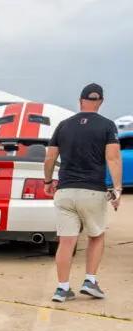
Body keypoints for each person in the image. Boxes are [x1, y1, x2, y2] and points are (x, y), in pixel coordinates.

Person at [44, 83, 122, 302]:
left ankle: (62, 288)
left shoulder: (63, 125)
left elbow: (50, 157)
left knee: (66, 241)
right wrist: (117, 189)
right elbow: (113, 158)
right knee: (96, 235)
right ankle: (89, 281)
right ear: (101, 102)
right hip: (92, 191)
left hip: (65, 190)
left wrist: (48, 181)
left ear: (80, 100)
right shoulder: (107, 126)